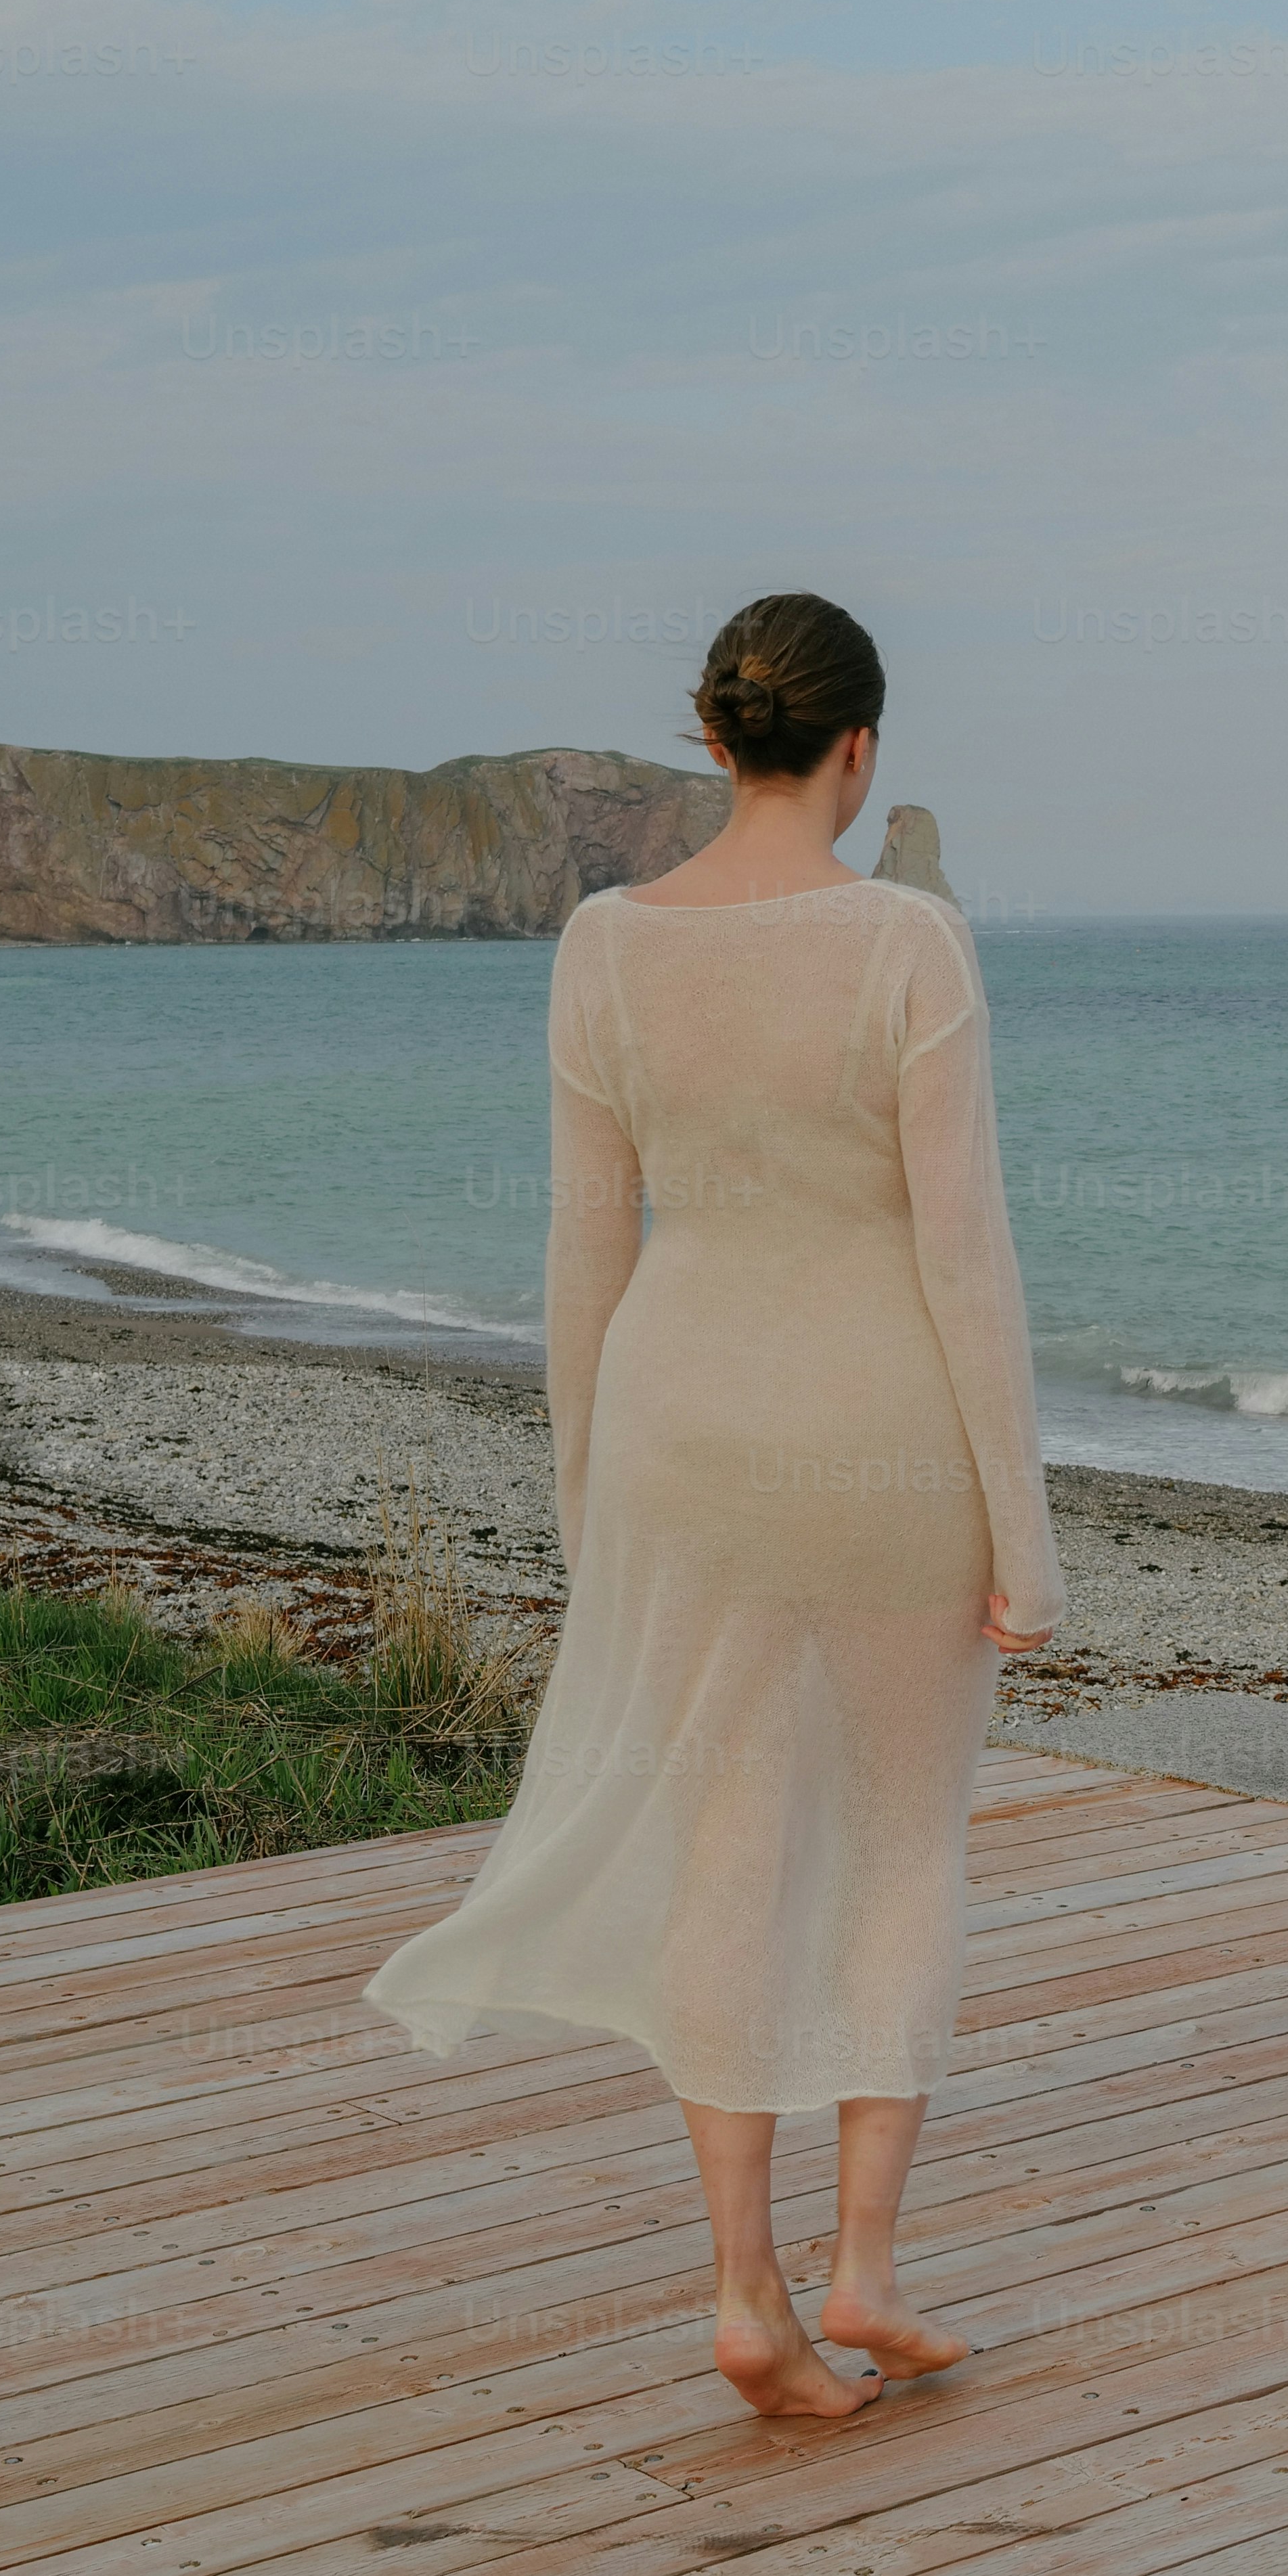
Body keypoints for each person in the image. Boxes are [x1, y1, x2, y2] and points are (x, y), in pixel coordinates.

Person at [360, 593, 1059, 2420]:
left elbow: (585, 1239)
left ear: (717, 737)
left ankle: (747, 2290)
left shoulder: (604, 942)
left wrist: (589, 1499)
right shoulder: (912, 942)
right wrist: (1025, 1530)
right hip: (880, 1432)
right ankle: (869, 2267)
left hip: (680, 1431)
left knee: (727, 1845)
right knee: (904, 1838)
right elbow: (967, 1262)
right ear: (860, 753)